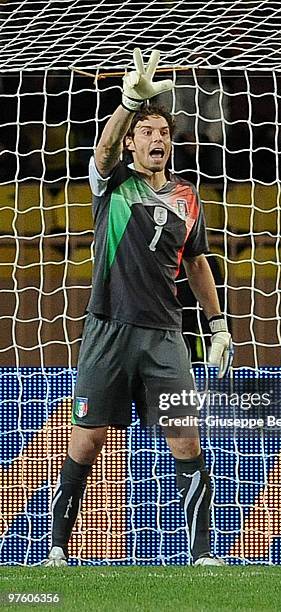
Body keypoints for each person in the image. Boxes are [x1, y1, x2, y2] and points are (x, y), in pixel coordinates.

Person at [43, 49, 233, 567]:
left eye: (163, 133)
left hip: (165, 337)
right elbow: (102, 152)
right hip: (107, 331)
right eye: (146, 132)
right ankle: (58, 549)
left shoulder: (188, 196)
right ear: (132, 141)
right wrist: (129, 103)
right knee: (87, 442)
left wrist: (217, 325)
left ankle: (201, 555)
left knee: (186, 437)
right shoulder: (111, 184)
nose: (157, 140)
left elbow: (196, 264)